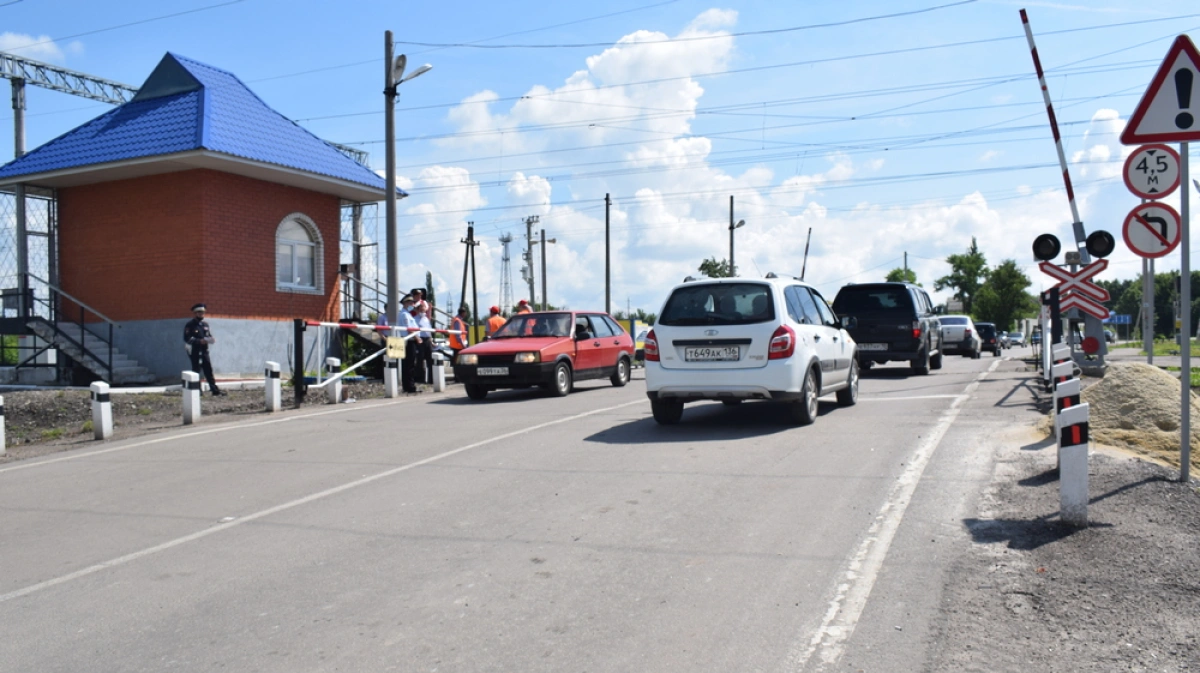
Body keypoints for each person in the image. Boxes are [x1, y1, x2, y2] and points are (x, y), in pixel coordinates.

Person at [183, 303, 225, 396]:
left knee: (208, 370)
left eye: (203, 312)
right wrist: (199, 341)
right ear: (195, 313)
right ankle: (197, 390)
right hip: (195, 351)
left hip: (204, 350)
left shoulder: (205, 324)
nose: (201, 314)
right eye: (199, 312)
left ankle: (214, 390)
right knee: (196, 370)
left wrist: (211, 339)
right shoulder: (190, 324)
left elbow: (207, 335)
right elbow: (187, 338)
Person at [397, 296, 420, 393]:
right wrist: (417, 338)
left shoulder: (408, 314)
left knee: (409, 365)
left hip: (411, 340)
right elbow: (409, 329)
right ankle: (409, 387)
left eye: (413, 303)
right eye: (410, 303)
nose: (412, 305)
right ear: (405, 303)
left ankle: (409, 386)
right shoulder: (405, 315)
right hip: (409, 341)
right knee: (409, 365)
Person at [414, 303, 434, 384]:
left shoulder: (426, 319)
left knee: (430, 360)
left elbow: (429, 331)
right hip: (420, 340)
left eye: (424, 309)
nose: (423, 310)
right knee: (420, 360)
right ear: (418, 310)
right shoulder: (415, 319)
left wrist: (431, 341)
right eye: (421, 309)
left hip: (427, 340)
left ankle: (431, 379)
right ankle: (420, 379)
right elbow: (414, 331)